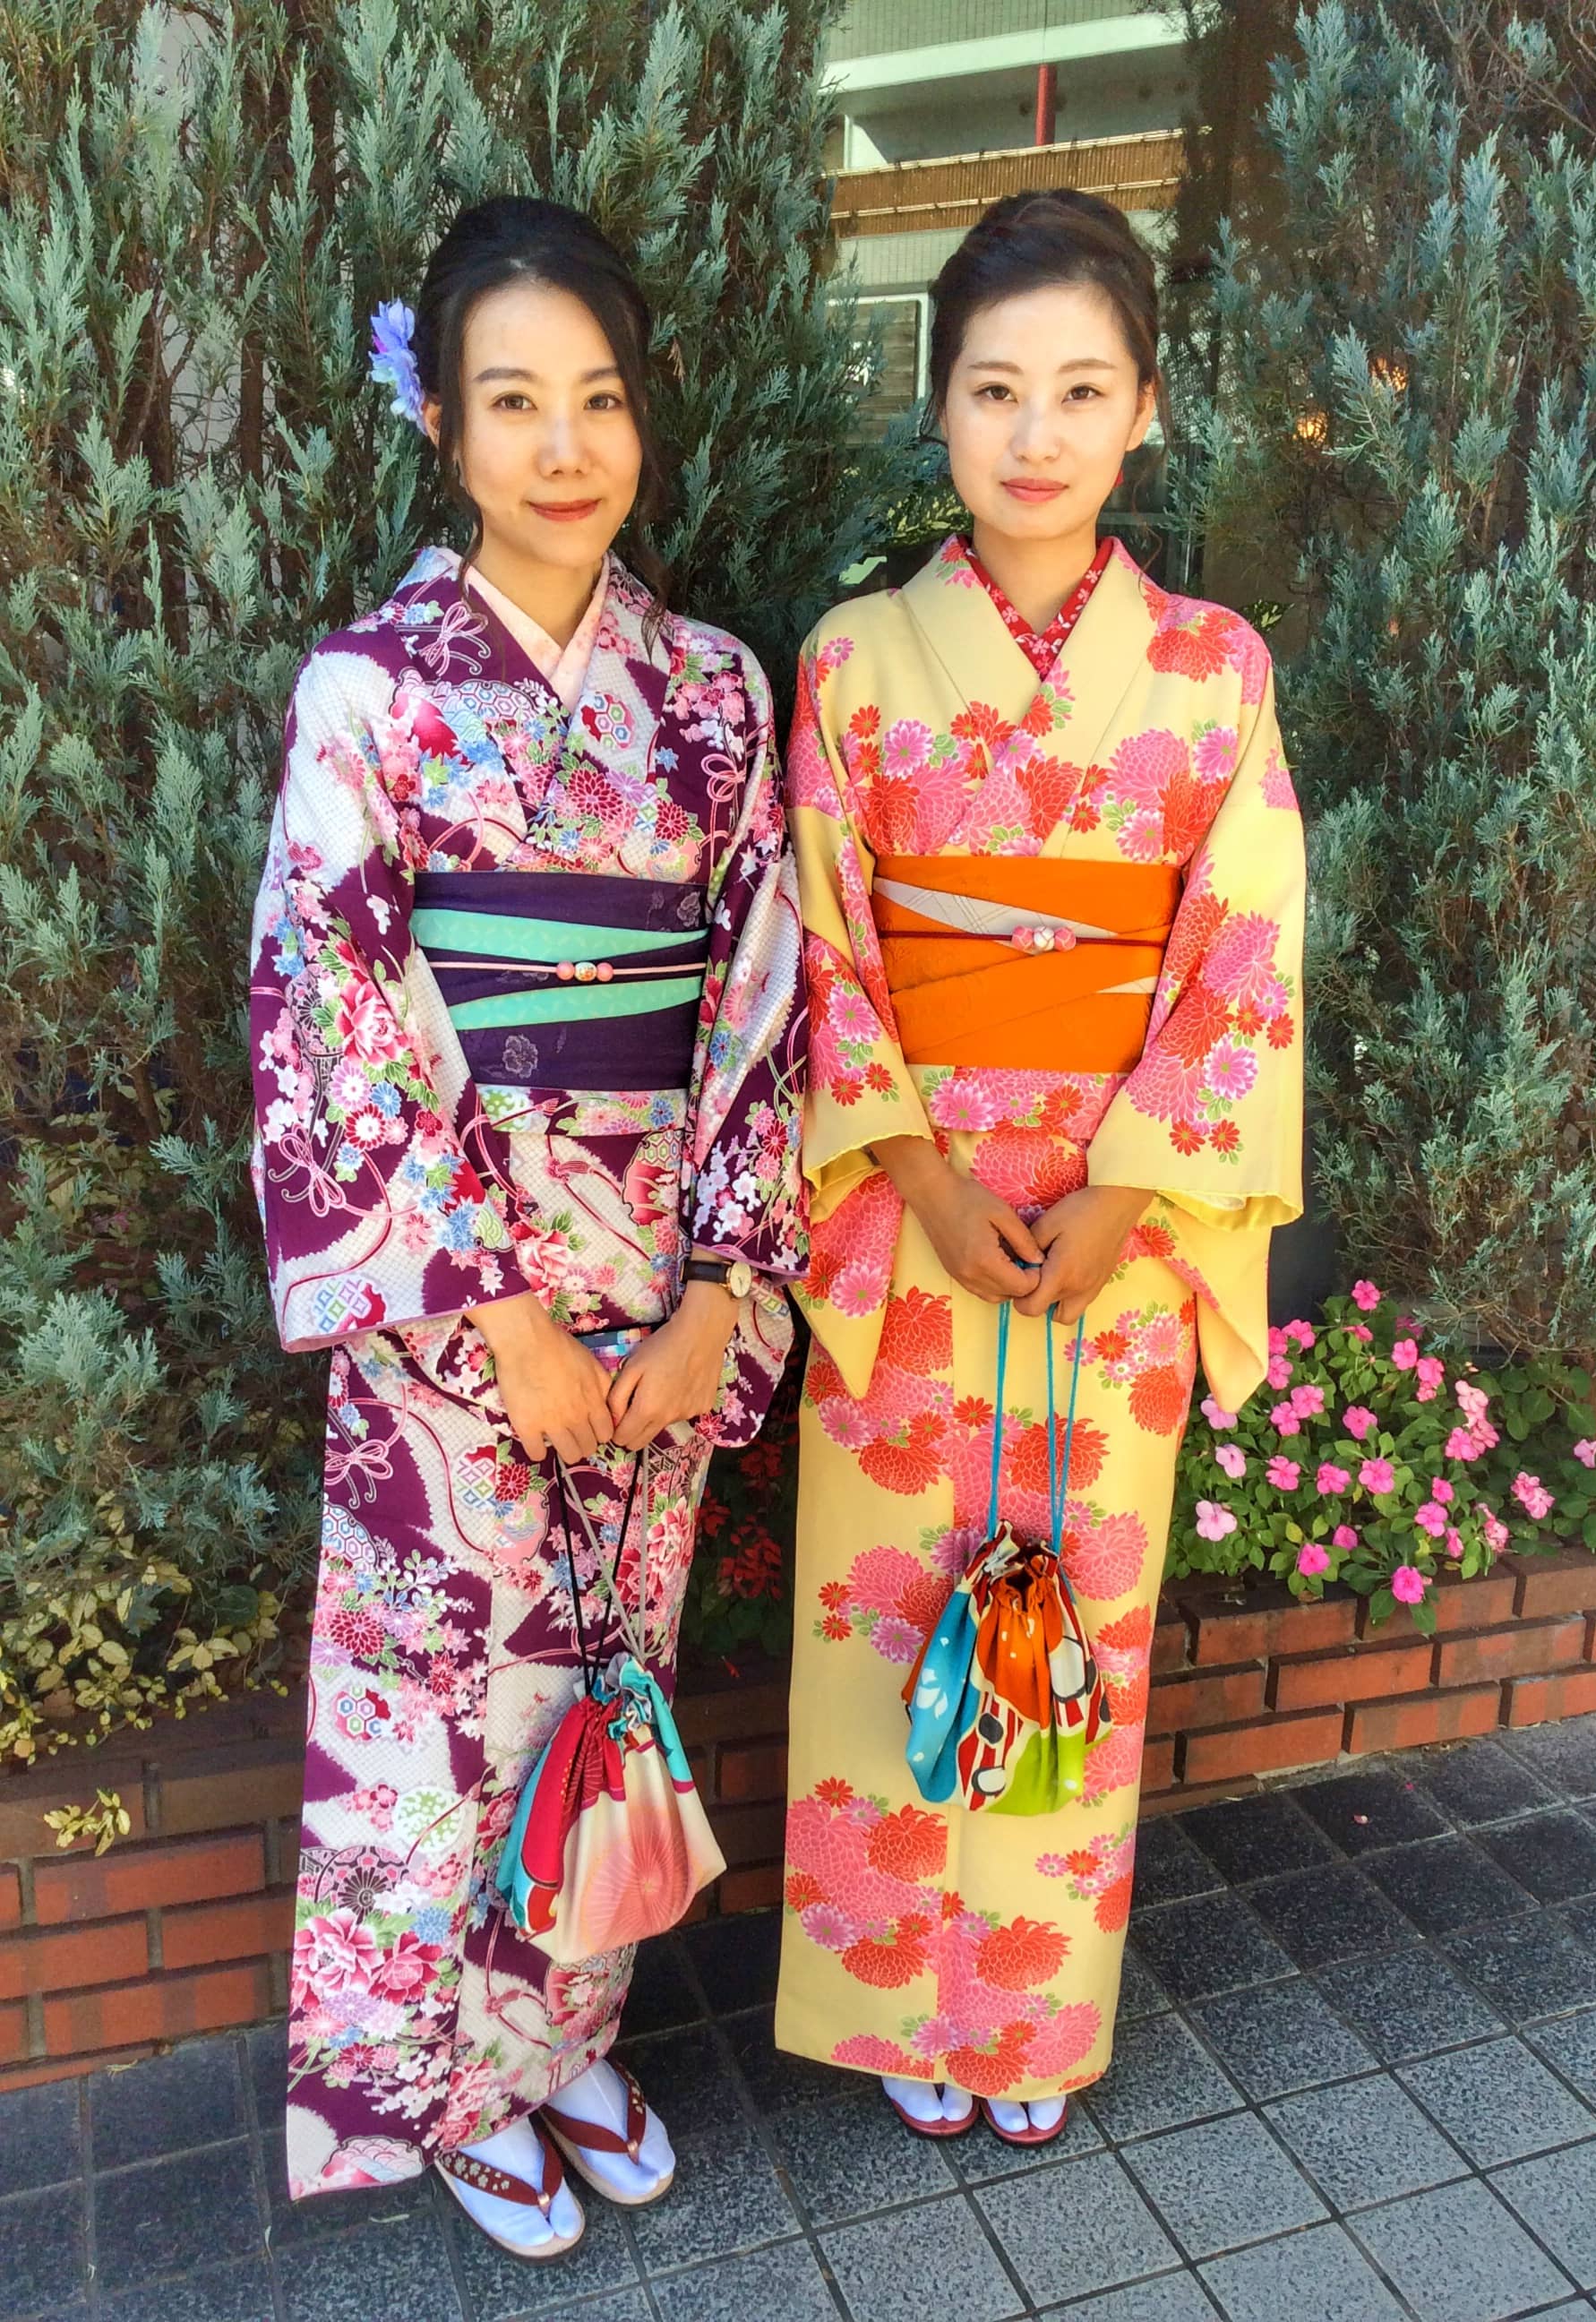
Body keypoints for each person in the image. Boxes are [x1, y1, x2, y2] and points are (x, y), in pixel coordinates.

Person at [249, 195, 805, 2257]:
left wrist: (720, 1289)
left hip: (655, 1286)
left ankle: (566, 2032)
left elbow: (763, 996)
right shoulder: (366, 692)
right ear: (443, 427)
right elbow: (329, 1013)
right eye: (511, 402)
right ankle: (446, 2088)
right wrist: (499, 1319)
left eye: (596, 398)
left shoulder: (714, 694)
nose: (562, 447)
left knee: (600, 1676)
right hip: (454, 1317)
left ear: (641, 415)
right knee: (438, 1712)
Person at [774, 187, 1304, 2144]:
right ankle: (899, 2009)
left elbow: (1243, 947)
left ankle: (1029, 2013)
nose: (1034, 431)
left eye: (1082, 389)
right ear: (937, 406)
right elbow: (818, 946)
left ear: (1144, 410)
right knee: (889, 1606)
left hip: (1116, 1235)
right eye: (993, 387)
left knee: (1082, 1608)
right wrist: (915, 1176)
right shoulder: (850, 661)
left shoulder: (1213, 669)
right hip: (908, 1221)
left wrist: (1131, 1191)